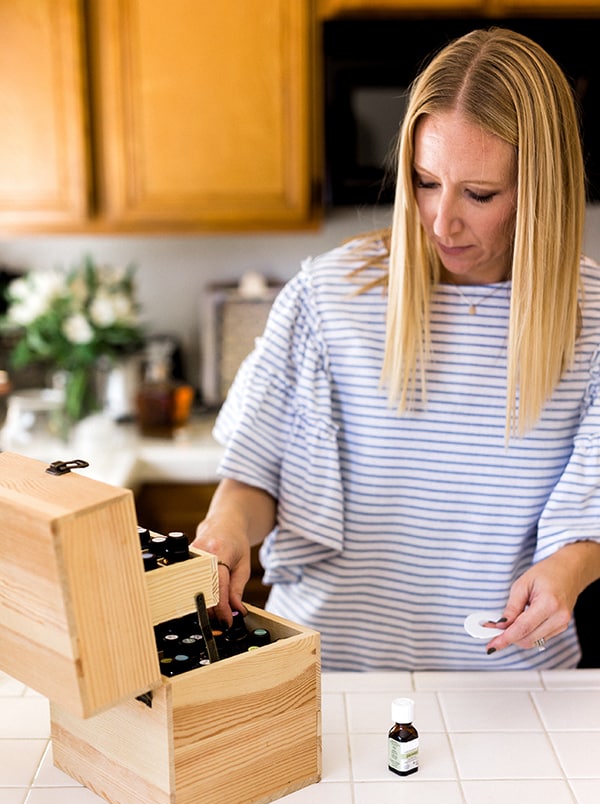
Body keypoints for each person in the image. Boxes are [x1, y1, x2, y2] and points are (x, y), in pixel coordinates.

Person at [193, 27, 600, 671]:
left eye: (481, 194)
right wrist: (224, 532)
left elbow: (592, 516)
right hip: (324, 672)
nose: (441, 221)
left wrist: (569, 570)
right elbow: (254, 473)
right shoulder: (327, 296)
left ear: (540, 187)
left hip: (507, 684)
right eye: (425, 181)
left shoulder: (595, 322)